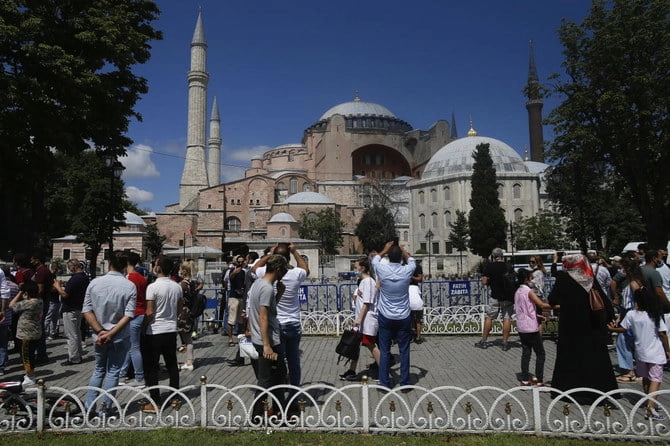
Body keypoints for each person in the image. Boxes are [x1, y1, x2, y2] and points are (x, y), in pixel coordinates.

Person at [548, 252, 618, 404]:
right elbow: (603, 300)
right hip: (591, 326)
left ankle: (570, 390)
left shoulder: (564, 278)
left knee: (571, 358)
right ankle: (599, 392)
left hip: (571, 326)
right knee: (594, 358)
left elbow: (552, 299)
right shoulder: (588, 278)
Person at [82, 251, 137, 416]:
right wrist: (111, 333)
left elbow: (86, 310)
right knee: (113, 371)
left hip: (98, 336)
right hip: (119, 335)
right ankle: (105, 409)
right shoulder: (129, 285)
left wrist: (100, 331)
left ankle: (89, 407)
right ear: (125, 265)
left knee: (99, 369)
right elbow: (129, 314)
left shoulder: (94, 283)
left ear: (109, 263)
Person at [253, 242, 309, 400]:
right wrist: (295, 251)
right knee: (294, 362)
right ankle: (294, 395)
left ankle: (278, 399)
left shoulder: (267, 273)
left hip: (276, 325)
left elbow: (254, 268)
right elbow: (306, 269)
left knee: (278, 366)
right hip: (293, 322)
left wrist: (269, 254)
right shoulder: (295, 273)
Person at [609, 281, 668, 421]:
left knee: (646, 378)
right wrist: (668, 350)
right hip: (655, 352)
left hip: (640, 352)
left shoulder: (632, 314)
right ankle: (651, 408)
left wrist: (612, 330)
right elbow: (662, 334)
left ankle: (649, 401)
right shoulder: (654, 315)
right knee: (656, 379)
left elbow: (624, 329)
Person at [248, 254, 289, 419]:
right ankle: (257, 416)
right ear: (278, 270)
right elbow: (263, 316)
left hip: (262, 337)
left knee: (278, 375)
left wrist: (279, 295)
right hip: (269, 340)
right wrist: (267, 345)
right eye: (285, 270)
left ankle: (278, 411)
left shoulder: (259, 284)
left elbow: (267, 311)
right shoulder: (266, 287)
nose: (285, 274)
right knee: (266, 379)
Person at [371, 240, 416, 388]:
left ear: (389, 257)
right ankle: (404, 381)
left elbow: (375, 259)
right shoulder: (407, 270)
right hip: (403, 316)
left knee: (384, 350)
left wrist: (385, 249)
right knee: (404, 350)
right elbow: (411, 260)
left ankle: (384, 382)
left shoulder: (382, 270)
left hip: (386, 315)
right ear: (401, 258)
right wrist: (403, 249)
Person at [141, 255, 183, 412]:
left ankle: (155, 401)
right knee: (172, 364)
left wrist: (143, 326)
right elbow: (179, 308)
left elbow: (150, 311)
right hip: (171, 329)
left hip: (155, 330)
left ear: (158, 268)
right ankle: (175, 397)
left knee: (152, 368)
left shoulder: (152, 287)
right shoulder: (176, 286)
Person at [340, 256, 380, 381]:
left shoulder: (368, 282)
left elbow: (367, 302)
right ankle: (351, 370)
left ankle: (383, 371)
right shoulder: (363, 282)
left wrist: (359, 319)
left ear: (362, 268)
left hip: (367, 320)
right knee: (354, 345)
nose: (354, 269)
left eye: (356, 267)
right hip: (361, 320)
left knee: (371, 346)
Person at [514, 269, 552, 386]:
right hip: (531, 327)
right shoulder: (528, 291)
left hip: (521, 326)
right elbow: (541, 304)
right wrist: (556, 306)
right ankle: (539, 379)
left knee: (526, 352)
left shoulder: (518, 291)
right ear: (527, 279)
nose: (532, 280)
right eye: (531, 278)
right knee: (540, 353)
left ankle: (525, 379)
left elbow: (524, 309)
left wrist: (537, 315)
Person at [475, 247, 515, 351]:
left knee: (490, 317)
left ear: (493, 257)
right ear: (502, 256)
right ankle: (505, 343)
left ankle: (484, 341)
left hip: (495, 295)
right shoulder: (508, 266)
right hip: (508, 296)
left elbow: (484, 282)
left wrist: (488, 281)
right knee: (507, 318)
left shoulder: (490, 266)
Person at [118, 252, 147, 387]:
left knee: (133, 347)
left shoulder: (129, 278)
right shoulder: (142, 278)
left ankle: (139, 376)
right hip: (141, 313)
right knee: (131, 346)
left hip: (133, 314)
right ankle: (122, 374)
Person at [53, 259, 89, 366]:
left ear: (73, 267)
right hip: (79, 307)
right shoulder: (84, 277)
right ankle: (78, 354)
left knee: (71, 334)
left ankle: (73, 357)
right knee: (77, 332)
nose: (68, 269)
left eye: (69, 267)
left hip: (70, 309)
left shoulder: (75, 278)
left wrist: (57, 286)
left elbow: (65, 295)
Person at [8, 281, 43, 388]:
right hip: (35, 332)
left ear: (27, 292)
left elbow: (11, 305)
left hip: (26, 334)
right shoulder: (40, 301)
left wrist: (19, 293)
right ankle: (30, 374)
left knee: (26, 356)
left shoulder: (27, 303)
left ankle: (30, 376)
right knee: (31, 354)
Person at [177, 261, 196, 371]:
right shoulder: (192, 283)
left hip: (182, 312)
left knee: (184, 338)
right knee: (188, 337)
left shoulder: (183, 284)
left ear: (183, 271)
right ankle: (190, 360)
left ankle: (189, 361)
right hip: (189, 312)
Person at [0, 266, 19, 376]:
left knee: (3, 342)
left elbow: (4, 292)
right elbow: (5, 293)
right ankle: (1, 366)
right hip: (6, 316)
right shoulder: (14, 286)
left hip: (4, 315)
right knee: (3, 343)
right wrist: (3, 310)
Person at [227, 255, 247, 347]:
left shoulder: (244, 272)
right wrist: (234, 272)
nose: (240, 263)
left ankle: (240, 337)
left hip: (241, 297)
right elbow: (230, 278)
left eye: (242, 262)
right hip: (233, 297)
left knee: (241, 320)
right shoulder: (232, 270)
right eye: (239, 262)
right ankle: (230, 338)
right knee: (232, 319)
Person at [409, 271, 425, 344]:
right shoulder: (416, 287)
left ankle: (409, 337)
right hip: (418, 305)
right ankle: (418, 337)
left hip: (410, 305)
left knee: (409, 321)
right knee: (418, 321)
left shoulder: (407, 287)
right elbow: (419, 295)